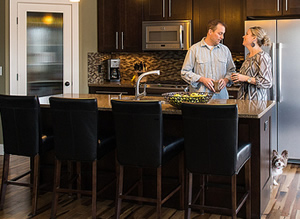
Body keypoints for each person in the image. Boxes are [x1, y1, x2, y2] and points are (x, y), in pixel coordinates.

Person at [181, 19, 235, 99]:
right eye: (220, 33)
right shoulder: (194, 49)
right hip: (200, 98)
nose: (222, 37)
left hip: (221, 98)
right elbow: (184, 72)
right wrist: (201, 79)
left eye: (223, 34)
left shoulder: (225, 50)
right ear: (210, 32)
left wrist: (226, 80)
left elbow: (232, 71)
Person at [231, 26, 272, 100]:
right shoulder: (248, 56)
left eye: (247, 34)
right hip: (243, 101)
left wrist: (246, 78)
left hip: (256, 103)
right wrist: (238, 78)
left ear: (254, 38)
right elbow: (246, 79)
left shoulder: (262, 56)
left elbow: (267, 82)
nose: (243, 36)